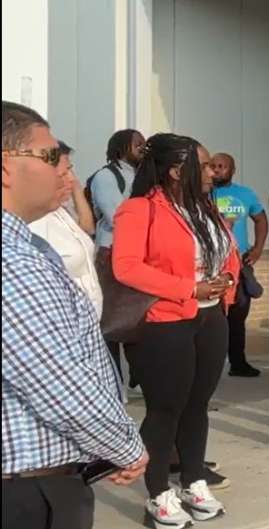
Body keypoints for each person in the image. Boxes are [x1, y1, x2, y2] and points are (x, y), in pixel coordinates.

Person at [2, 100, 148, 529]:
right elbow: (56, 381)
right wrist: (124, 446)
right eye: (50, 157)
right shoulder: (12, 263)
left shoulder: (29, 246)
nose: (63, 172)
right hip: (25, 495)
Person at [112, 133, 237, 528]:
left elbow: (228, 251)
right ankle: (158, 493)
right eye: (202, 165)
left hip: (210, 317)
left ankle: (193, 479)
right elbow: (126, 267)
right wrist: (189, 288)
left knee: (198, 403)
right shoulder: (138, 209)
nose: (211, 170)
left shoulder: (204, 209)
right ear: (174, 171)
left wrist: (227, 279)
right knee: (166, 408)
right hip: (166, 321)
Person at [91, 128, 145, 393]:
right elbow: (117, 218)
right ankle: (114, 385)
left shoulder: (142, 175)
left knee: (138, 319)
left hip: (138, 254)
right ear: (122, 147)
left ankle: (139, 377)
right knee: (112, 321)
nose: (142, 148)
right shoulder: (106, 176)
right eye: (138, 144)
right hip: (111, 252)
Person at [210, 152, 269, 377]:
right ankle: (211, 363)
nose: (217, 170)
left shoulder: (245, 194)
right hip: (212, 263)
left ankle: (238, 362)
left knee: (238, 314)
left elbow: (261, 219)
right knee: (214, 317)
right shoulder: (202, 193)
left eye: (222, 166)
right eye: (213, 166)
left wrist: (258, 248)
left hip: (239, 263)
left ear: (232, 170)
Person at [28, 142, 102, 320]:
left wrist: (76, 190)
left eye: (71, 170)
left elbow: (87, 228)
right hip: (63, 322)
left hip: (88, 321)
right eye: (64, 172)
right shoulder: (35, 221)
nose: (72, 177)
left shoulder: (60, 211)